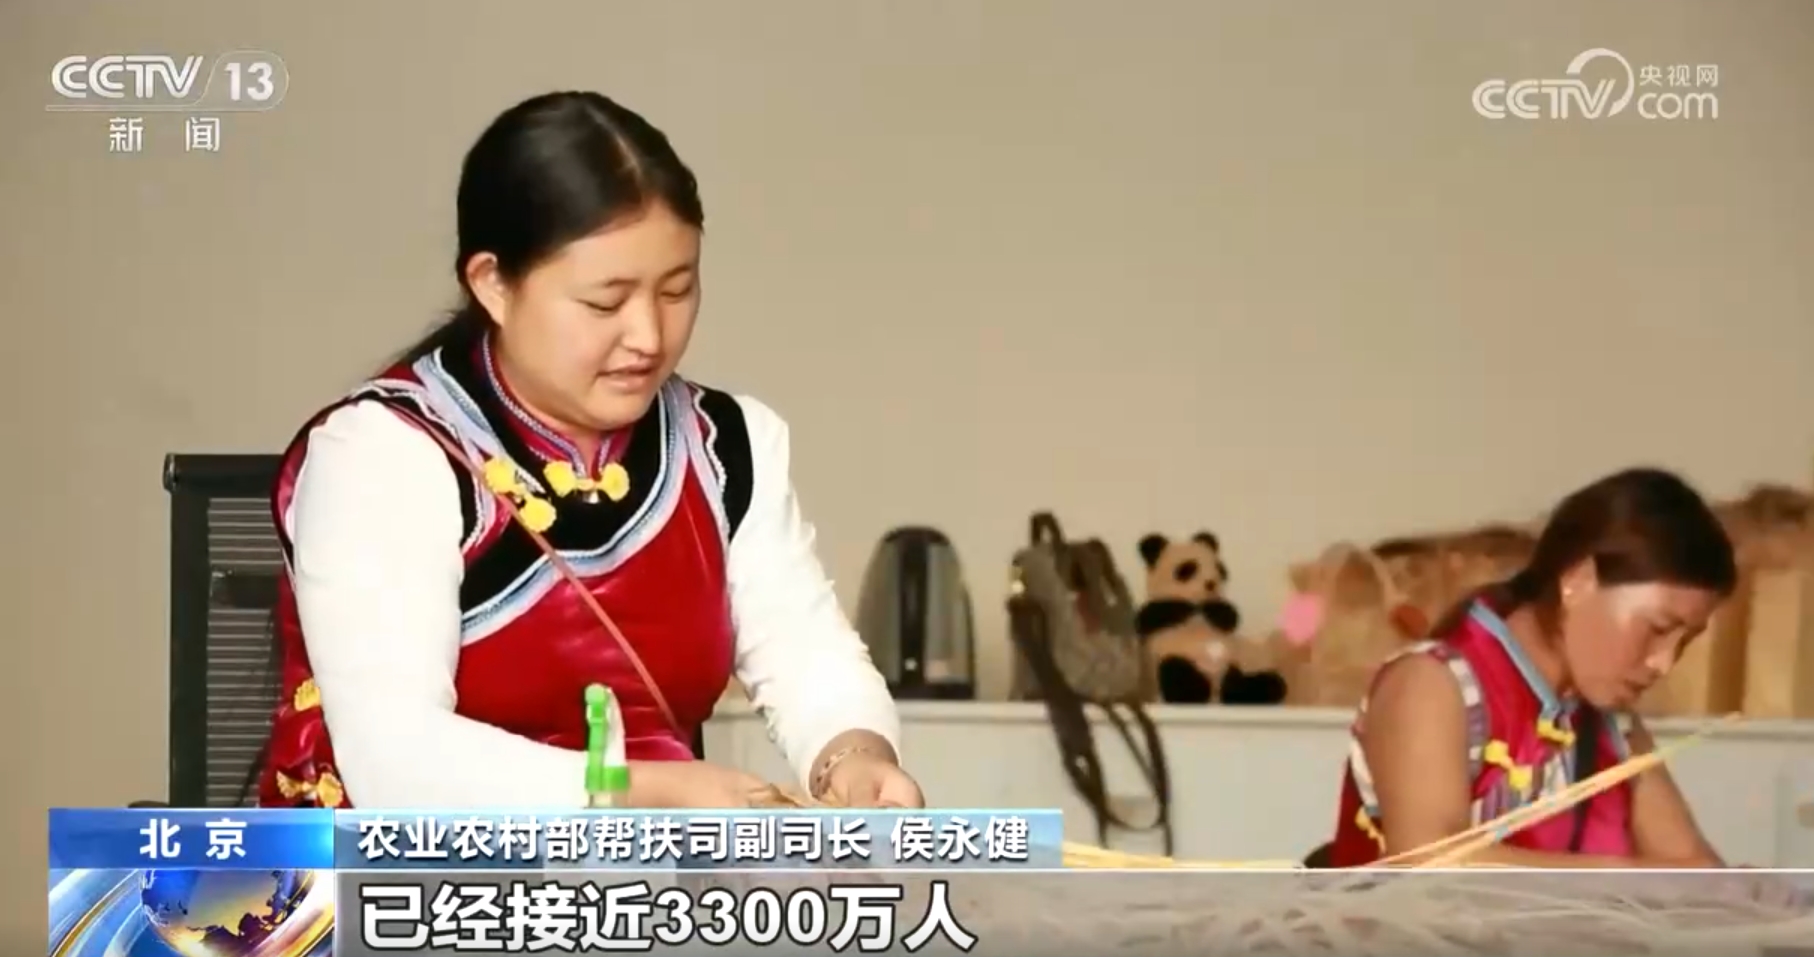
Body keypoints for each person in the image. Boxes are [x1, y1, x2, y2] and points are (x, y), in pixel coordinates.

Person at [254, 91, 922, 811]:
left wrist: (854, 756)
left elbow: (804, 648)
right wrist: (643, 792)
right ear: (493, 284)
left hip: (647, 872)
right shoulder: (386, 454)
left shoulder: (725, 447)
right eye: (605, 303)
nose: (648, 336)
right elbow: (396, 762)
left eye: (677, 290)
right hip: (397, 875)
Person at [1328, 467, 1737, 868]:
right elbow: (1430, 861)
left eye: (1686, 641)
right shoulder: (1432, 684)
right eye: (1658, 629)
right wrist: (1617, 877)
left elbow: (1695, 868)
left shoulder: (1614, 724)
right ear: (1579, 580)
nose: (1664, 662)